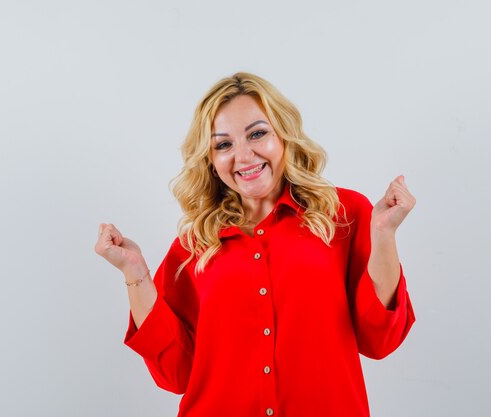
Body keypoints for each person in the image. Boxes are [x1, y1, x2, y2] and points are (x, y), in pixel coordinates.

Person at [94, 72, 416, 417]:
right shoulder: (194, 245)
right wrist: (134, 270)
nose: (243, 155)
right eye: (223, 144)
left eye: (257, 134)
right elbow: (176, 373)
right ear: (210, 160)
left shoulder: (343, 214)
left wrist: (384, 235)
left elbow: (380, 339)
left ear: (284, 136)